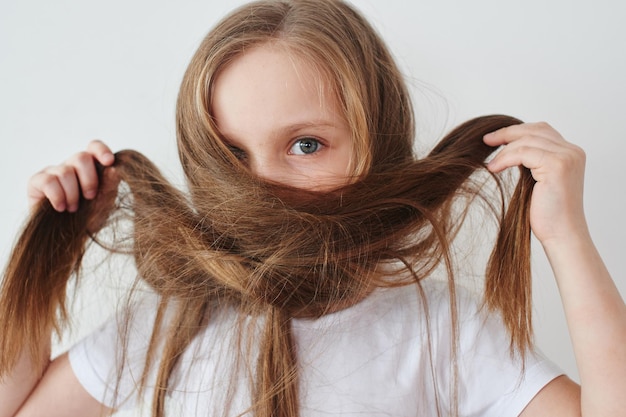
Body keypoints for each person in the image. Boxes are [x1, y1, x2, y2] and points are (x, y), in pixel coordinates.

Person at [1, 0, 625, 416]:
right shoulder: (163, 327)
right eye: (233, 153)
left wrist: (567, 236)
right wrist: (54, 251)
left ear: (376, 146)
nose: (262, 183)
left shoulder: (443, 331)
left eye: (306, 144)